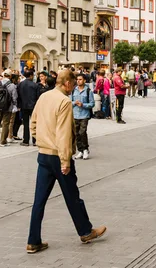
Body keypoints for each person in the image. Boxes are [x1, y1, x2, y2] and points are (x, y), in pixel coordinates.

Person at [27, 69, 106, 254]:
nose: (72, 88)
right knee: (73, 197)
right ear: (68, 83)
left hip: (43, 154)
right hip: (58, 156)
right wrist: (65, 161)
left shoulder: (44, 97)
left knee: (39, 201)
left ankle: (33, 241)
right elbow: (63, 134)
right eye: (72, 83)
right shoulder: (64, 101)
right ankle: (86, 231)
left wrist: (40, 140)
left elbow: (33, 123)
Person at [71, 74, 95, 160]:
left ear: (84, 80)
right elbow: (69, 101)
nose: (78, 81)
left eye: (80, 79)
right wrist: (74, 103)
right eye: (77, 79)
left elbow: (92, 104)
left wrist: (83, 104)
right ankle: (80, 150)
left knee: (82, 132)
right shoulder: (74, 90)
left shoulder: (88, 91)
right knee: (76, 134)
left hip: (84, 115)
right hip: (75, 114)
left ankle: (85, 149)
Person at [18, 70, 39, 147]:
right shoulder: (35, 85)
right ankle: (35, 140)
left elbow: (18, 96)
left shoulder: (20, 84)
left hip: (24, 106)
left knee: (25, 124)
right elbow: (38, 97)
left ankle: (26, 140)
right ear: (30, 76)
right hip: (33, 106)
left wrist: (19, 105)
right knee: (34, 124)